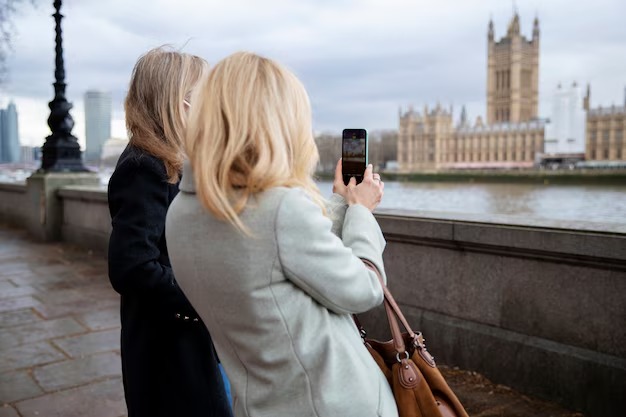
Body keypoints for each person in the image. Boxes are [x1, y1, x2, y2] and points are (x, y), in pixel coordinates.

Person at [165, 51, 398, 417]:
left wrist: (339, 202)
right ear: (275, 122)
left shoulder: (180, 212)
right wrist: (362, 212)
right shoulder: (277, 208)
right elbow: (364, 288)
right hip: (332, 403)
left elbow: (285, 259)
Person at [107, 47, 232, 417]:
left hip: (189, 341)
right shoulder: (144, 167)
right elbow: (130, 265)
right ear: (181, 105)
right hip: (169, 346)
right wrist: (200, 297)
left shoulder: (171, 162)